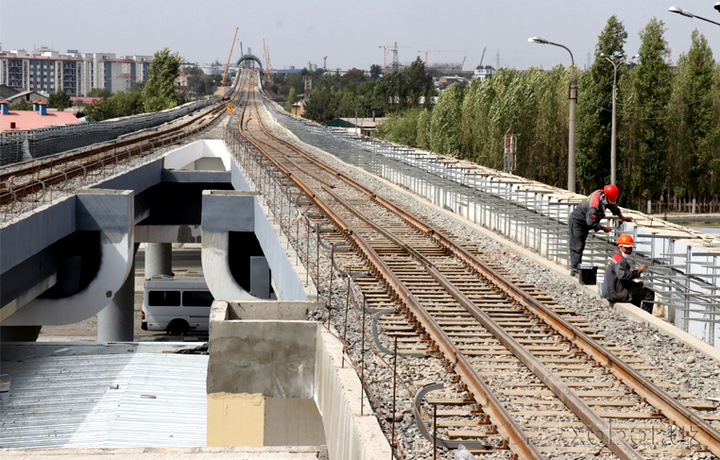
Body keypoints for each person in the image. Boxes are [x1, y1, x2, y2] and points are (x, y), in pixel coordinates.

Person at [568, 184, 632, 276]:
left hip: (585, 222)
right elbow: (590, 222)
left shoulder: (604, 196)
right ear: (605, 196)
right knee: (577, 246)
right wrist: (603, 228)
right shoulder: (594, 205)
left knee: (581, 245)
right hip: (578, 222)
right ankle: (574, 269)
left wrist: (622, 217)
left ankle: (578, 268)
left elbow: (612, 206)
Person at [601, 234, 655, 313]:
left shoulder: (616, 257)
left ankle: (637, 312)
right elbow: (623, 276)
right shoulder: (620, 261)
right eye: (626, 248)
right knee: (648, 293)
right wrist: (639, 270)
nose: (629, 251)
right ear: (620, 248)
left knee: (637, 292)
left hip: (611, 292)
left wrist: (635, 285)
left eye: (630, 249)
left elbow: (622, 280)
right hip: (616, 294)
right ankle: (645, 315)